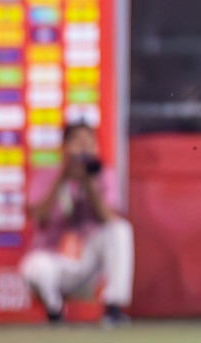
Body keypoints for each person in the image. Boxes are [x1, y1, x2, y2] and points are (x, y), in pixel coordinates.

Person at [20, 121, 133, 327]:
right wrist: (62, 177)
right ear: (64, 146)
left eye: (89, 144)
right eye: (78, 143)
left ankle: (113, 307)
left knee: (120, 229)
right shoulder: (48, 174)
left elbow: (106, 218)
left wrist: (89, 184)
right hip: (54, 257)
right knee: (34, 268)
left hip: (86, 258)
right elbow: (39, 215)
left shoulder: (102, 174)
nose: (84, 149)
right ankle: (54, 311)